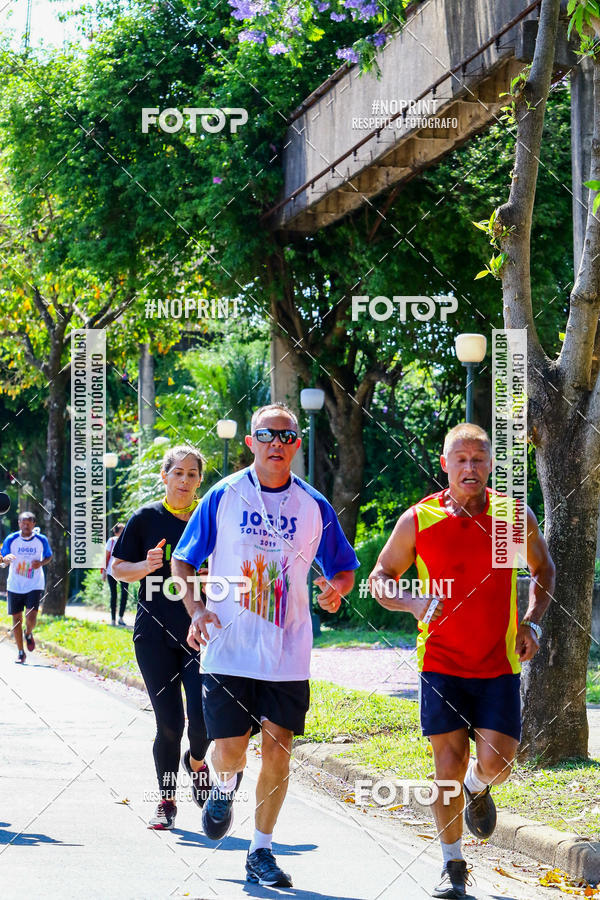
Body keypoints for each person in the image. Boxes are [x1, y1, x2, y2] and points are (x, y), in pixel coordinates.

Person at [172, 402, 359, 888]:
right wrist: (197, 611)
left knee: (279, 751)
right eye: (267, 435)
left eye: (287, 436)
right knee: (231, 751)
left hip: (287, 650)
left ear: (297, 444)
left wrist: (337, 588)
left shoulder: (314, 505)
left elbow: (344, 567)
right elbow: (183, 562)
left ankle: (261, 850)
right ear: (251, 442)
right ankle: (223, 784)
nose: (277, 444)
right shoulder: (224, 495)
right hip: (228, 648)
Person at [369, 423, 555, 900]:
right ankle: (453, 865)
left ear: (490, 464)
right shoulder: (419, 519)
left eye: (478, 459)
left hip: (499, 662)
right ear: (445, 464)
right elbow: (381, 576)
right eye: (461, 459)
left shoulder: (513, 517)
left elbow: (543, 569)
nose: (469, 468)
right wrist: (411, 603)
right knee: (445, 765)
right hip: (441, 661)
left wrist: (532, 623)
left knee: (499, 762)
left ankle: (479, 787)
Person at [111, 446, 211, 831]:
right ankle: (166, 801)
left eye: (192, 474)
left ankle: (197, 762)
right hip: (153, 635)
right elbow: (119, 569)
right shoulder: (145, 518)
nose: (184, 480)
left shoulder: (209, 517)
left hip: (198, 632)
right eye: (178, 473)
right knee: (169, 724)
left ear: (199, 479)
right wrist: (146, 565)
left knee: (202, 722)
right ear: (165, 476)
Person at [1, 511, 52, 664]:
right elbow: (3, 559)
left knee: (31, 616)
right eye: (23, 522)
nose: (26, 525)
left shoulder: (41, 539)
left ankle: (28, 633)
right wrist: (6, 559)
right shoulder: (11, 539)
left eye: (29, 522)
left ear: (33, 524)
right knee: (16, 620)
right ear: (19, 523)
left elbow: (48, 556)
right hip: (15, 584)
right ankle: (20, 652)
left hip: (34, 583)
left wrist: (41, 563)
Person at [102, 522, 128, 625]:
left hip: (125, 572)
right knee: (114, 595)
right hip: (111, 571)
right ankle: (113, 619)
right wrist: (103, 572)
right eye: (122, 530)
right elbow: (106, 556)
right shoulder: (111, 541)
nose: (124, 532)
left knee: (125, 593)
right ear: (116, 532)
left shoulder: (128, 541)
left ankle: (121, 618)